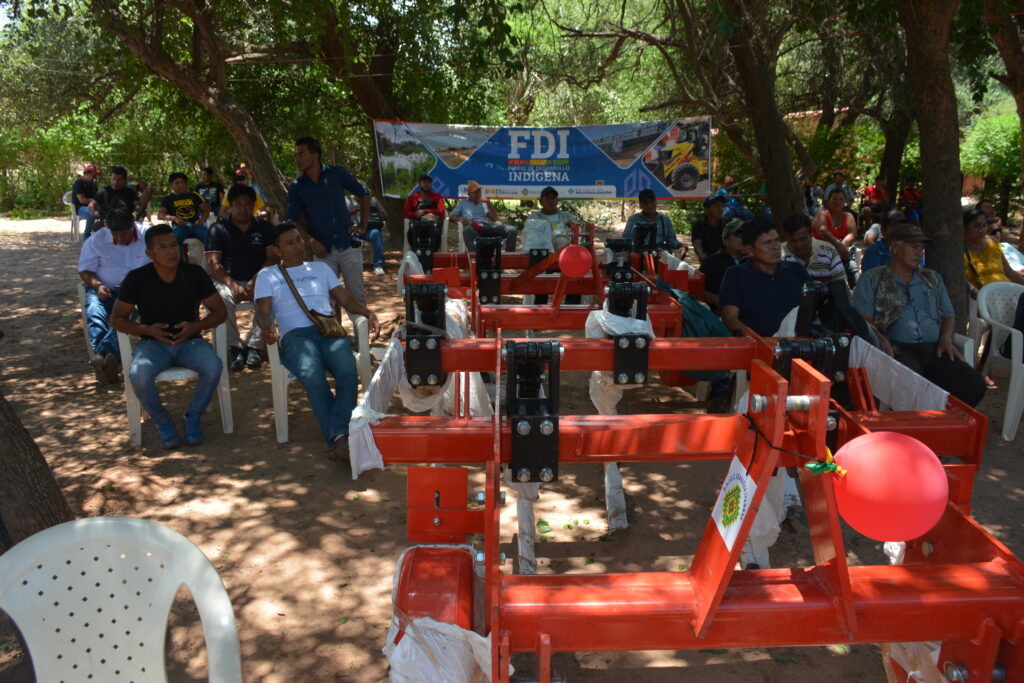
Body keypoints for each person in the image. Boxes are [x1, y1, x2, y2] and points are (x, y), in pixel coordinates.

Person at [254, 223, 380, 460]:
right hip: (296, 336)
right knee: (313, 377)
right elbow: (264, 311)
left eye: (298, 240)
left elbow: (345, 299)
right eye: (289, 243)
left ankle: (338, 437)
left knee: (347, 372)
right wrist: (266, 328)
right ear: (277, 250)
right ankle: (341, 437)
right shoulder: (268, 275)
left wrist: (367, 313)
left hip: (328, 330)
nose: (297, 246)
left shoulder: (320, 268)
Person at [110, 224, 227, 449]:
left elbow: (220, 312)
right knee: (138, 374)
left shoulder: (194, 273)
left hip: (190, 341)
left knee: (213, 366)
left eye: (173, 245)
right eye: (162, 247)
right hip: (153, 344)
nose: (171, 251)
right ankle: (163, 421)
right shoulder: (137, 278)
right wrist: (148, 330)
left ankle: (192, 417)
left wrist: (195, 327)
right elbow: (116, 319)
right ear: (150, 254)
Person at [852, 223, 986, 407]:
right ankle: (928, 421)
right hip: (897, 350)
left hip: (934, 350)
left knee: (974, 384)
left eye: (922, 248)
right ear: (896, 247)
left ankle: (941, 421)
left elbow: (948, 314)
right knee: (914, 389)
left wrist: (946, 338)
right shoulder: (872, 279)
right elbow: (863, 321)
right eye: (914, 247)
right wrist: (879, 337)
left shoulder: (932, 278)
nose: (920, 253)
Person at [287, 136, 371, 313]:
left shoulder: (337, 173)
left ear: (315, 155)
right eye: (295, 155)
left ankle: (362, 331)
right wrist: (310, 241)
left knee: (356, 297)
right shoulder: (297, 186)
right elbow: (292, 220)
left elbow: (364, 194)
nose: (297, 158)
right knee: (325, 302)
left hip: (348, 244)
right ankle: (335, 332)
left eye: (301, 154)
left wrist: (363, 226)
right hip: (322, 251)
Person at [205, 184, 277, 371]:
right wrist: (232, 284)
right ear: (230, 205)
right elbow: (213, 264)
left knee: (270, 294)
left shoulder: (265, 227)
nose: (243, 209)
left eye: (248, 205)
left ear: (254, 206)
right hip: (227, 280)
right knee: (221, 298)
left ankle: (255, 345)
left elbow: (272, 258)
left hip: (259, 277)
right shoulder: (218, 228)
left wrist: (256, 279)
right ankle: (234, 347)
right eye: (238, 204)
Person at [77, 207, 152, 383]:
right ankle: (110, 359)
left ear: (133, 224)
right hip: (105, 289)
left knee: (126, 315)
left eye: (123, 233)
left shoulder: (148, 236)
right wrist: (98, 285)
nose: (119, 238)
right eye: (114, 234)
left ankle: (102, 356)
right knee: (94, 312)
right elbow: (85, 270)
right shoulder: (96, 240)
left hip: (137, 292)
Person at [719, 218, 809, 336]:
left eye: (777, 240)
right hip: (756, 344)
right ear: (750, 249)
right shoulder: (736, 275)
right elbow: (730, 319)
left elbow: (812, 310)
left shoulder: (796, 270)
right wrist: (758, 341)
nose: (775, 247)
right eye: (768, 242)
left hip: (799, 343)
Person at [962, 207, 1024, 295]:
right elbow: (964, 281)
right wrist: (974, 291)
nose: (981, 230)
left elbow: (1009, 272)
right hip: (983, 298)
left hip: (1008, 293)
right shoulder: (960, 251)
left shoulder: (993, 245)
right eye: (976, 226)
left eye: (984, 225)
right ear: (965, 228)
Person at [450, 180, 517, 252]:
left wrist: (488, 203)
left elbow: (495, 218)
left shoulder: (484, 203)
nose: (478, 194)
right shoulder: (462, 203)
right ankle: (474, 255)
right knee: (467, 230)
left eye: (479, 191)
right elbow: (451, 217)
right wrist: (460, 219)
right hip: (473, 227)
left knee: (512, 230)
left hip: (486, 227)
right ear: (469, 194)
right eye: (475, 192)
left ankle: (510, 255)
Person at [781, 213, 845, 283]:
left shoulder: (828, 251)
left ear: (811, 234)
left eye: (802, 239)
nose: (799, 245)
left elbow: (842, 283)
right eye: (793, 241)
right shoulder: (779, 254)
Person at [698, 217, 746, 309]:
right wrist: (716, 299)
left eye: (747, 234)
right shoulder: (711, 262)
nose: (744, 237)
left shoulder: (754, 262)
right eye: (739, 234)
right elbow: (697, 290)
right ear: (726, 239)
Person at [622, 189, 684, 257]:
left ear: (656, 202)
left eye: (652, 202)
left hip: (660, 256)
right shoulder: (634, 219)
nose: (650, 205)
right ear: (640, 205)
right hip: (640, 256)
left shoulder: (665, 220)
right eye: (646, 203)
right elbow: (626, 240)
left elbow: (671, 239)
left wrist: (680, 246)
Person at [346, 181, 388, 275]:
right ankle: (350, 265)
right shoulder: (347, 200)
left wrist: (372, 209)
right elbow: (339, 217)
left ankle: (378, 265)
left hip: (368, 230)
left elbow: (384, 216)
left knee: (376, 233)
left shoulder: (373, 201)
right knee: (347, 236)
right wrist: (352, 211)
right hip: (352, 230)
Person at [158, 172, 211, 245]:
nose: (181, 185)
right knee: (175, 240)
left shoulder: (194, 196)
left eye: (183, 182)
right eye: (177, 183)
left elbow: (206, 209)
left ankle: (212, 252)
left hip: (195, 225)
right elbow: (160, 215)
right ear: (171, 186)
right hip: (179, 227)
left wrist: (202, 219)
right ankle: (179, 253)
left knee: (209, 239)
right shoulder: (168, 199)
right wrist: (175, 219)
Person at [691, 194, 726, 262]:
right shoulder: (699, 225)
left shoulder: (727, 224)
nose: (721, 209)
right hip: (709, 261)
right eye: (716, 206)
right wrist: (701, 254)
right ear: (707, 209)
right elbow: (697, 243)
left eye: (722, 206)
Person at [72, 164, 100, 239]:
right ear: (87, 174)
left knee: (105, 210)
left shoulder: (93, 183)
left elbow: (97, 196)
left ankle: (102, 233)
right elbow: (82, 200)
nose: (94, 177)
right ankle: (87, 235)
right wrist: (94, 201)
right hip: (80, 208)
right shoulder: (79, 183)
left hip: (93, 205)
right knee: (90, 213)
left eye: (95, 175)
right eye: (93, 175)